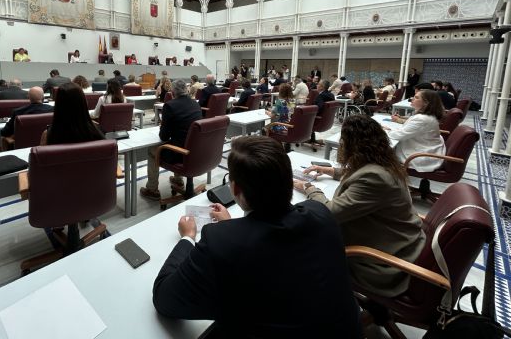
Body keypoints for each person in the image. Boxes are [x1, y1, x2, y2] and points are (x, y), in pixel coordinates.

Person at [153, 135, 361, 337]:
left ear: (234, 188)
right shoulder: (320, 213)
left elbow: (164, 299)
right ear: (289, 181)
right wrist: (232, 227)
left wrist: (188, 237)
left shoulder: (218, 243)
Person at [294, 114, 425, 297]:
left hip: (383, 263)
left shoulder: (375, 178)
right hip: (399, 240)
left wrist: (308, 188)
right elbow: (361, 174)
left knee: (302, 246)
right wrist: (331, 171)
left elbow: (329, 213)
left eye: (342, 141)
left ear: (352, 146)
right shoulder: (384, 164)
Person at [140, 79, 202, 201]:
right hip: (196, 152)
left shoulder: (170, 106)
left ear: (172, 93)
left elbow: (163, 136)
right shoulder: (195, 104)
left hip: (179, 154)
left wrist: (165, 126)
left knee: (152, 150)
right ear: (186, 90)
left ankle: (152, 189)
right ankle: (178, 180)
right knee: (180, 141)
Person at [384, 89, 446, 172]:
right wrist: (391, 130)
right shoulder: (427, 116)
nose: (412, 99)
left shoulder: (422, 119)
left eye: (416, 97)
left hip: (419, 156)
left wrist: (383, 131)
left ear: (426, 103)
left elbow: (399, 135)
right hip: (427, 148)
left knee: (381, 152)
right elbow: (407, 130)